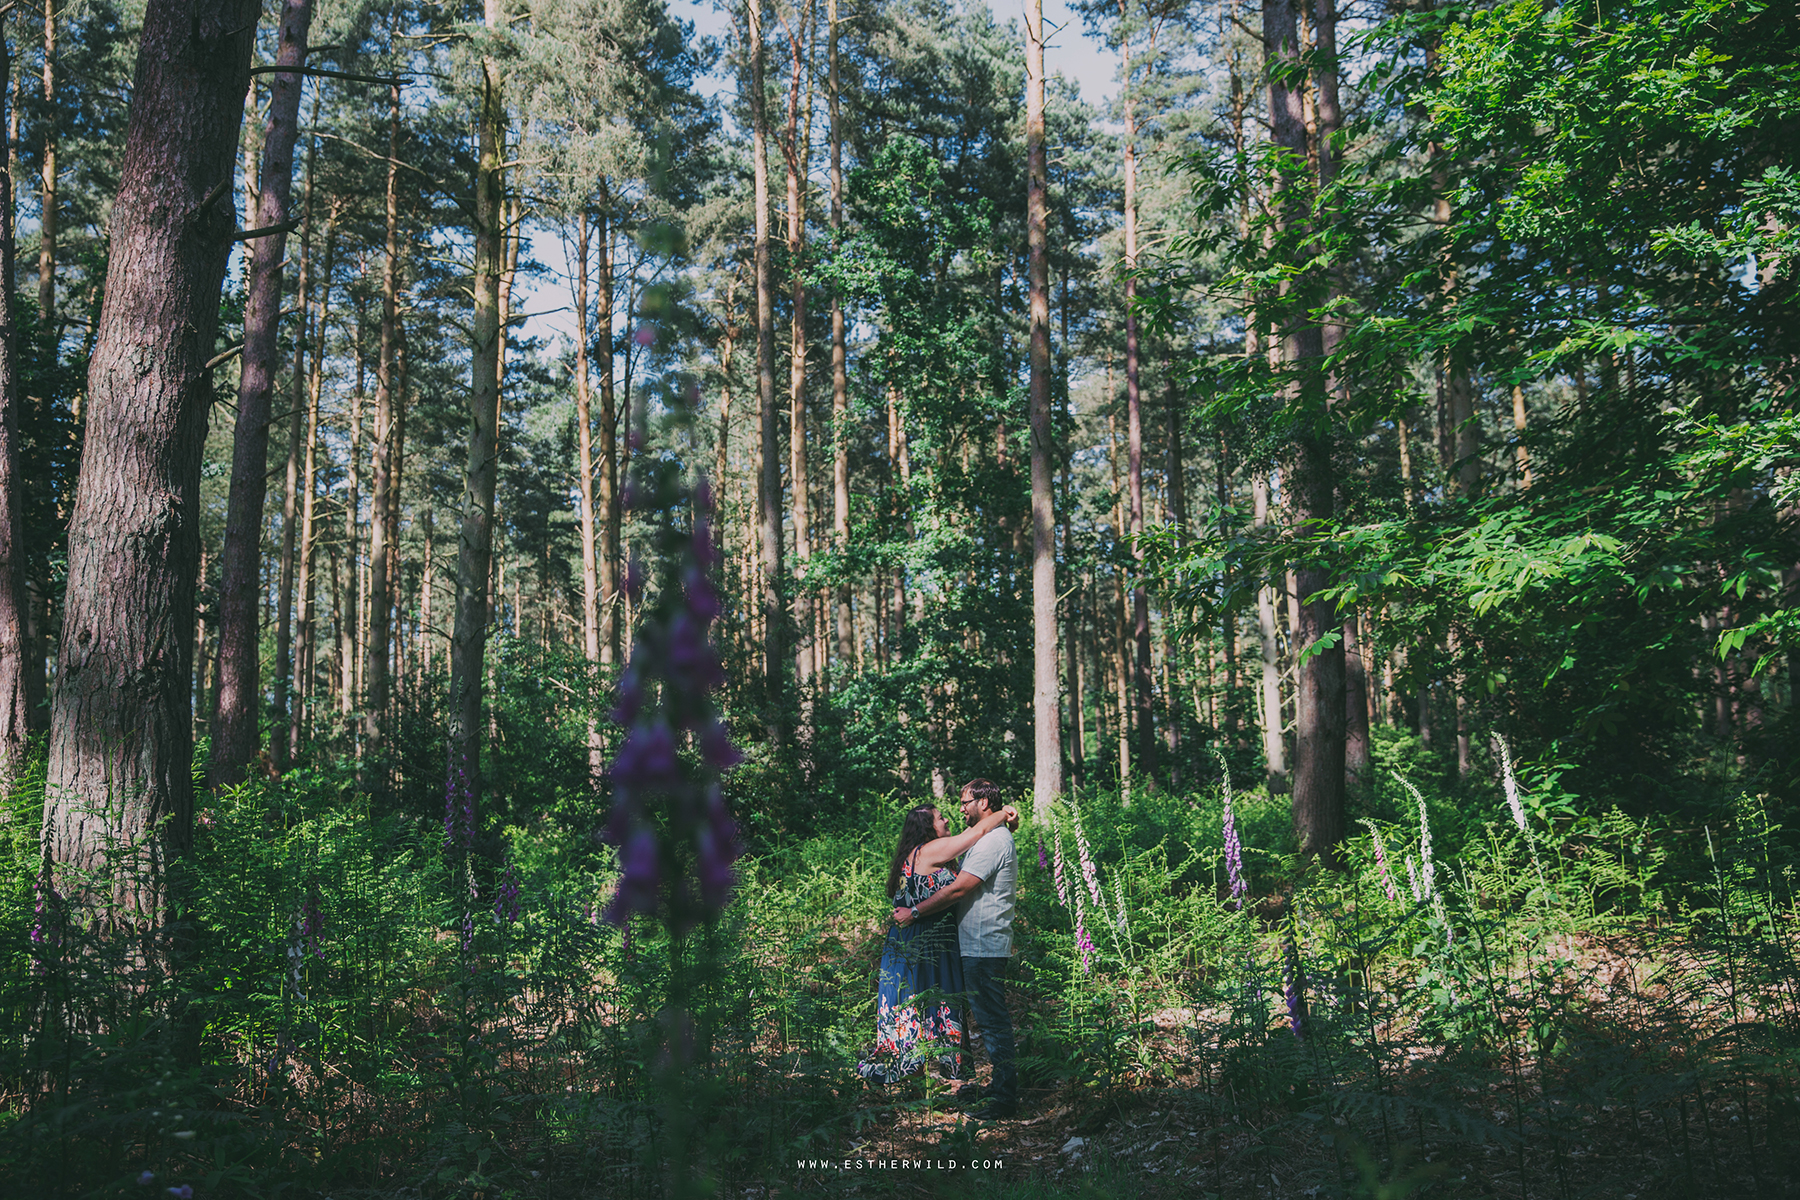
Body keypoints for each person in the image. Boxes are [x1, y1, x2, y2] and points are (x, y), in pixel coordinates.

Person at [857, 798, 1018, 1088]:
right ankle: (924, 1080)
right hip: (921, 943)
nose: (946, 821)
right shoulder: (930, 850)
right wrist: (1004, 813)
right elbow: (976, 834)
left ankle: (917, 1083)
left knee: (917, 1006)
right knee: (925, 1005)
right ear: (927, 828)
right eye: (940, 818)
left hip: (923, 941)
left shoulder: (918, 853)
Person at [893, 777, 1018, 1120]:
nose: (959, 809)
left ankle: (1006, 1097)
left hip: (984, 943)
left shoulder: (992, 842)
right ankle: (1000, 1086)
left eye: (965, 802)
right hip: (975, 943)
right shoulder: (985, 838)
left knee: (993, 1023)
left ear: (983, 804)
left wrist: (915, 911)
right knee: (990, 1020)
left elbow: (960, 889)